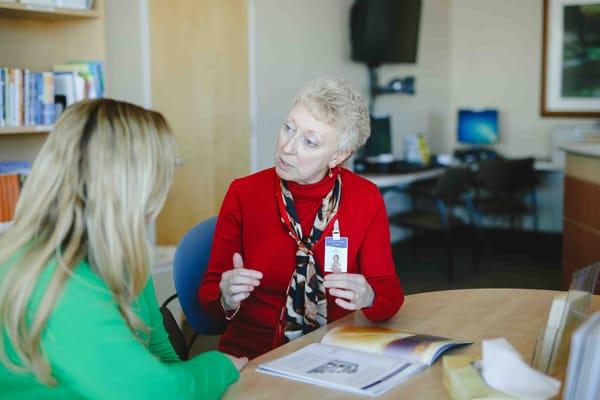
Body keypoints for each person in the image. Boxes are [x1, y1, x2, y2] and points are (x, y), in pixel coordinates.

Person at [0, 99, 246, 400]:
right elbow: (154, 392)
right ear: (131, 184)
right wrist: (220, 365)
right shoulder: (57, 282)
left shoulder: (121, 256)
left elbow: (162, 358)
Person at [199, 78, 404, 359]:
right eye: (288, 128)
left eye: (309, 142)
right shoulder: (243, 193)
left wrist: (369, 296)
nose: (287, 147)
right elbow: (209, 297)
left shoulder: (365, 198)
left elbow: (389, 293)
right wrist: (225, 295)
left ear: (339, 155)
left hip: (335, 351)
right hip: (253, 355)